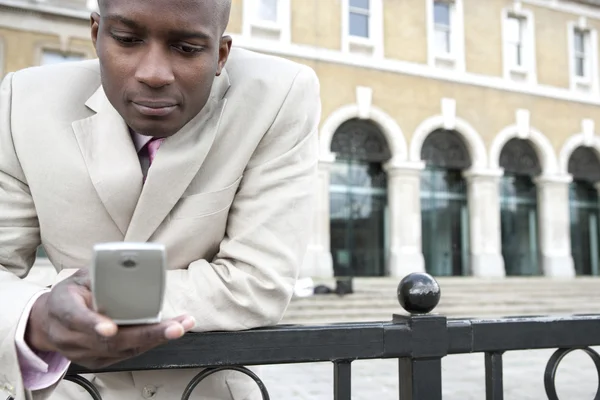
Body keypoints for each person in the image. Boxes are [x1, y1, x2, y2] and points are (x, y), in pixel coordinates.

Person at [0, 0, 320, 398]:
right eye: (127, 39)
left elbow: (258, 282)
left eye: (186, 48)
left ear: (221, 54)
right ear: (96, 34)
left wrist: (81, 299)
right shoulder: (22, 101)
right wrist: (37, 317)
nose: (154, 74)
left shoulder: (280, 95)